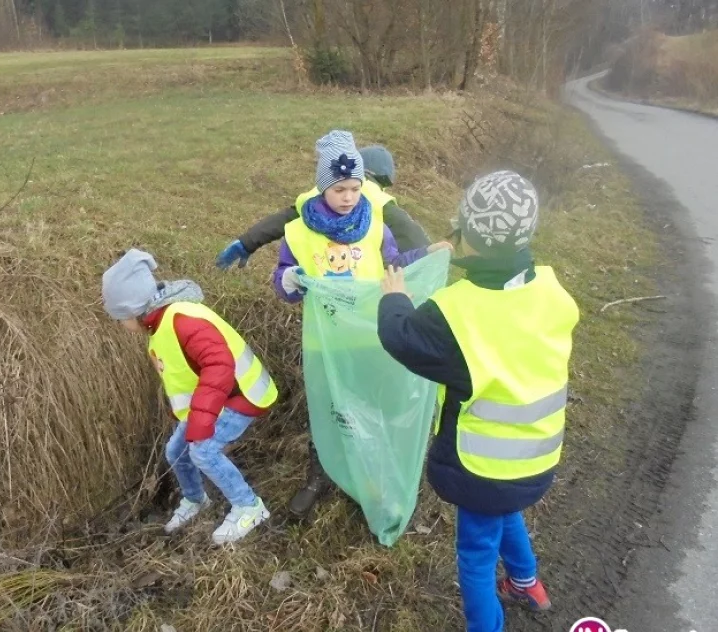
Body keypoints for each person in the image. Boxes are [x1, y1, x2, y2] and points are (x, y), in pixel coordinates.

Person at [377, 171, 580, 632]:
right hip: (538, 456)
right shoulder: (551, 291)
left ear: (467, 236)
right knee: (503, 511)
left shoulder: (455, 312)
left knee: (475, 555)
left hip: (480, 465)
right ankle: (527, 583)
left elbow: (401, 337)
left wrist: (394, 299)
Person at [272, 130, 451, 519]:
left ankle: (370, 480)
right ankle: (318, 478)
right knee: (328, 410)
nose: (349, 197)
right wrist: (287, 281)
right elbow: (285, 277)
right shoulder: (300, 231)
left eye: (355, 188)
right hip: (326, 343)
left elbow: (395, 264)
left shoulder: (375, 227)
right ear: (323, 189)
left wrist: (426, 254)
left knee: (370, 407)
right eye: (340, 190)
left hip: (368, 339)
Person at [101, 249, 279, 545]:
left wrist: (202, 421)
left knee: (202, 451)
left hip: (241, 396)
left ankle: (250, 506)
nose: (121, 325)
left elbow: (219, 366)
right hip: (217, 400)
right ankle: (196, 500)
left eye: (121, 318)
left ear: (134, 309)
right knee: (176, 451)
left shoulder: (183, 320)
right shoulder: (159, 324)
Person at [215, 145, 431, 270]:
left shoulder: (316, 195)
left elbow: (283, 219)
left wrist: (246, 243)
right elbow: (416, 240)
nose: (348, 197)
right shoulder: (379, 201)